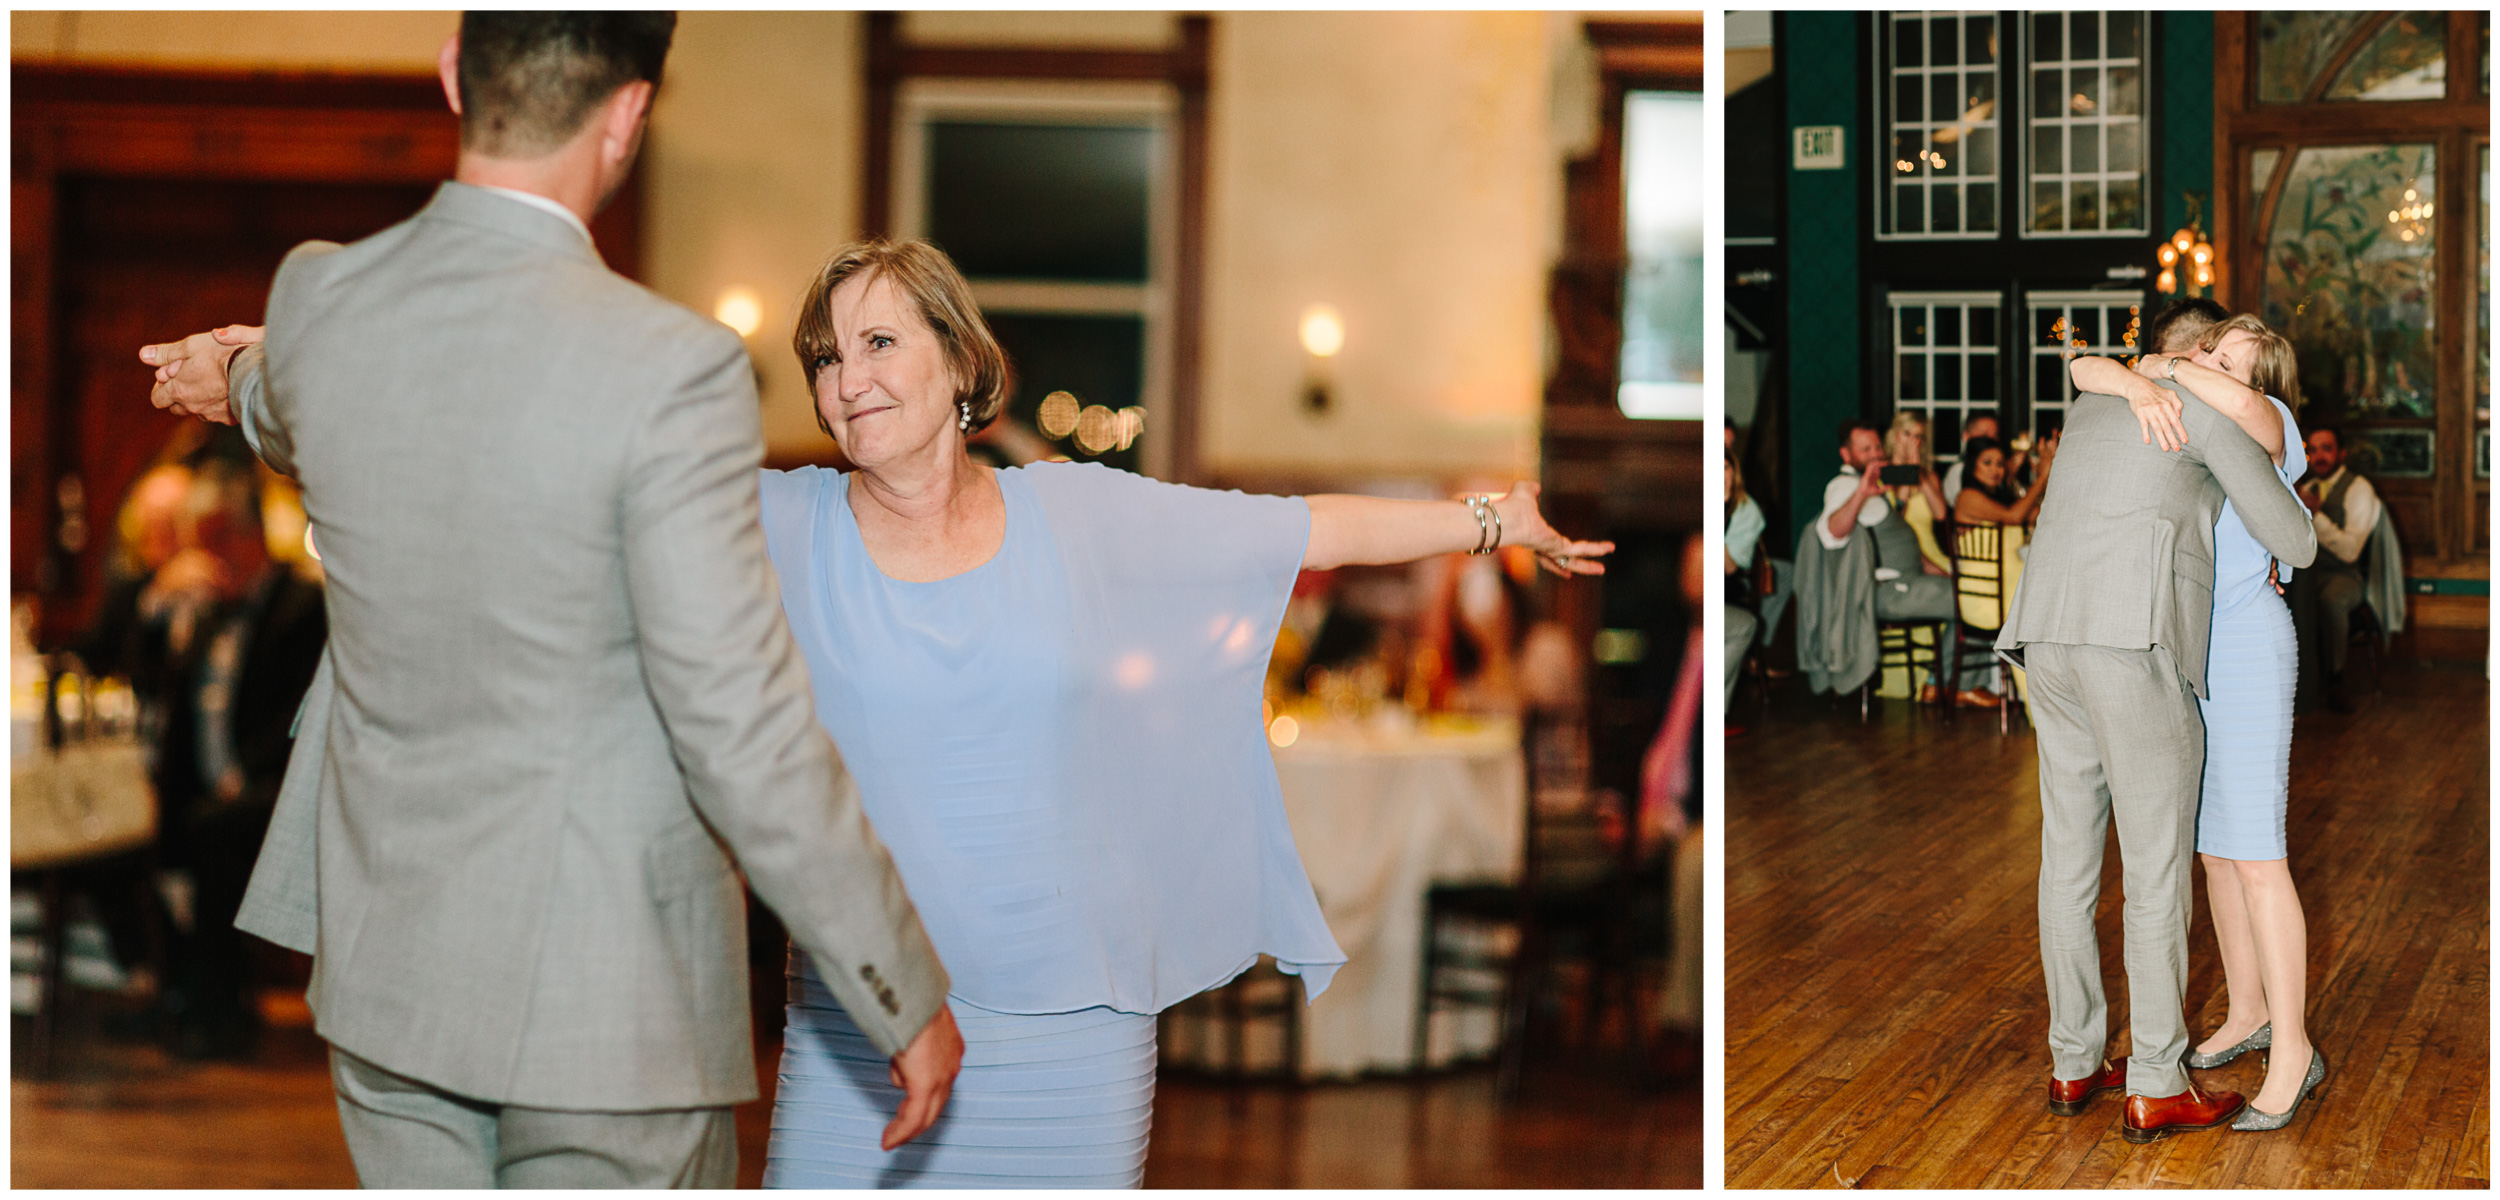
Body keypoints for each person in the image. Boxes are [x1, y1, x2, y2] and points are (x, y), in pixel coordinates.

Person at [138, 14, 962, 1187]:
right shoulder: (671, 369)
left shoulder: (320, 303)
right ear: (628, 114)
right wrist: (897, 984)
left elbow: (285, 397)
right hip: (607, 1010)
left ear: (450, 79)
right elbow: (738, 724)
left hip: (388, 988)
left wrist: (233, 374)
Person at [752, 239, 1615, 1185]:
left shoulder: (1075, 514)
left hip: (1075, 1019)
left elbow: (1301, 528)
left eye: (878, 341)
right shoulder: (779, 524)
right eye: (828, 357)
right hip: (866, 1021)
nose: (849, 379)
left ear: (960, 360)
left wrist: (1494, 522)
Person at [1997, 324, 2317, 1142]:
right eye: (2210, 349)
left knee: (2066, 862)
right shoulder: (2198, 413)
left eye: (2218, 356)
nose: (2204, 363)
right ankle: (2155, 1080)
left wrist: (2143, 373)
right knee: (2156, 871)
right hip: (2130, 645)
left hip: (2047, 636)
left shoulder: (2100, 399)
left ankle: (2074, 1060)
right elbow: (2299, 540)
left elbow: (2084, 367)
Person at [1816, 419, 1990, 706]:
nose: (1874, 453)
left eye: (1876, 447)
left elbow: (1904, 546)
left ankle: (1945, 682)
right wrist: (1861, 493)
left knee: (1977, 594)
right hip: (1887, 589)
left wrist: (1944, 573)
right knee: (1976, 600)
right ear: (1846, 456)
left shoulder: (1875, 485)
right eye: (1865, 449)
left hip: (1908, 581)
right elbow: (1832, 531)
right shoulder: (1843, 486)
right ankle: (1948, 684)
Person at [2289, 426, 2379, 713]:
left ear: (2341, 453)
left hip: (2345, 575)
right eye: (2312, 450)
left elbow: (2351, 551)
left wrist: (2316, 516)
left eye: (2326, 448)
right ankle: (2299, 684)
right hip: (2307, 573)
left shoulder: (2359, 488)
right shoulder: (2308, 488)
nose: (2319, 456)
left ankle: (2336, 679)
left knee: (2330, 601)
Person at [1724, 448, 1764, 713]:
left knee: (1745, 625)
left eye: (1724, 468)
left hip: (1729, 591)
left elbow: (1727, 567)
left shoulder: (1746, 510)